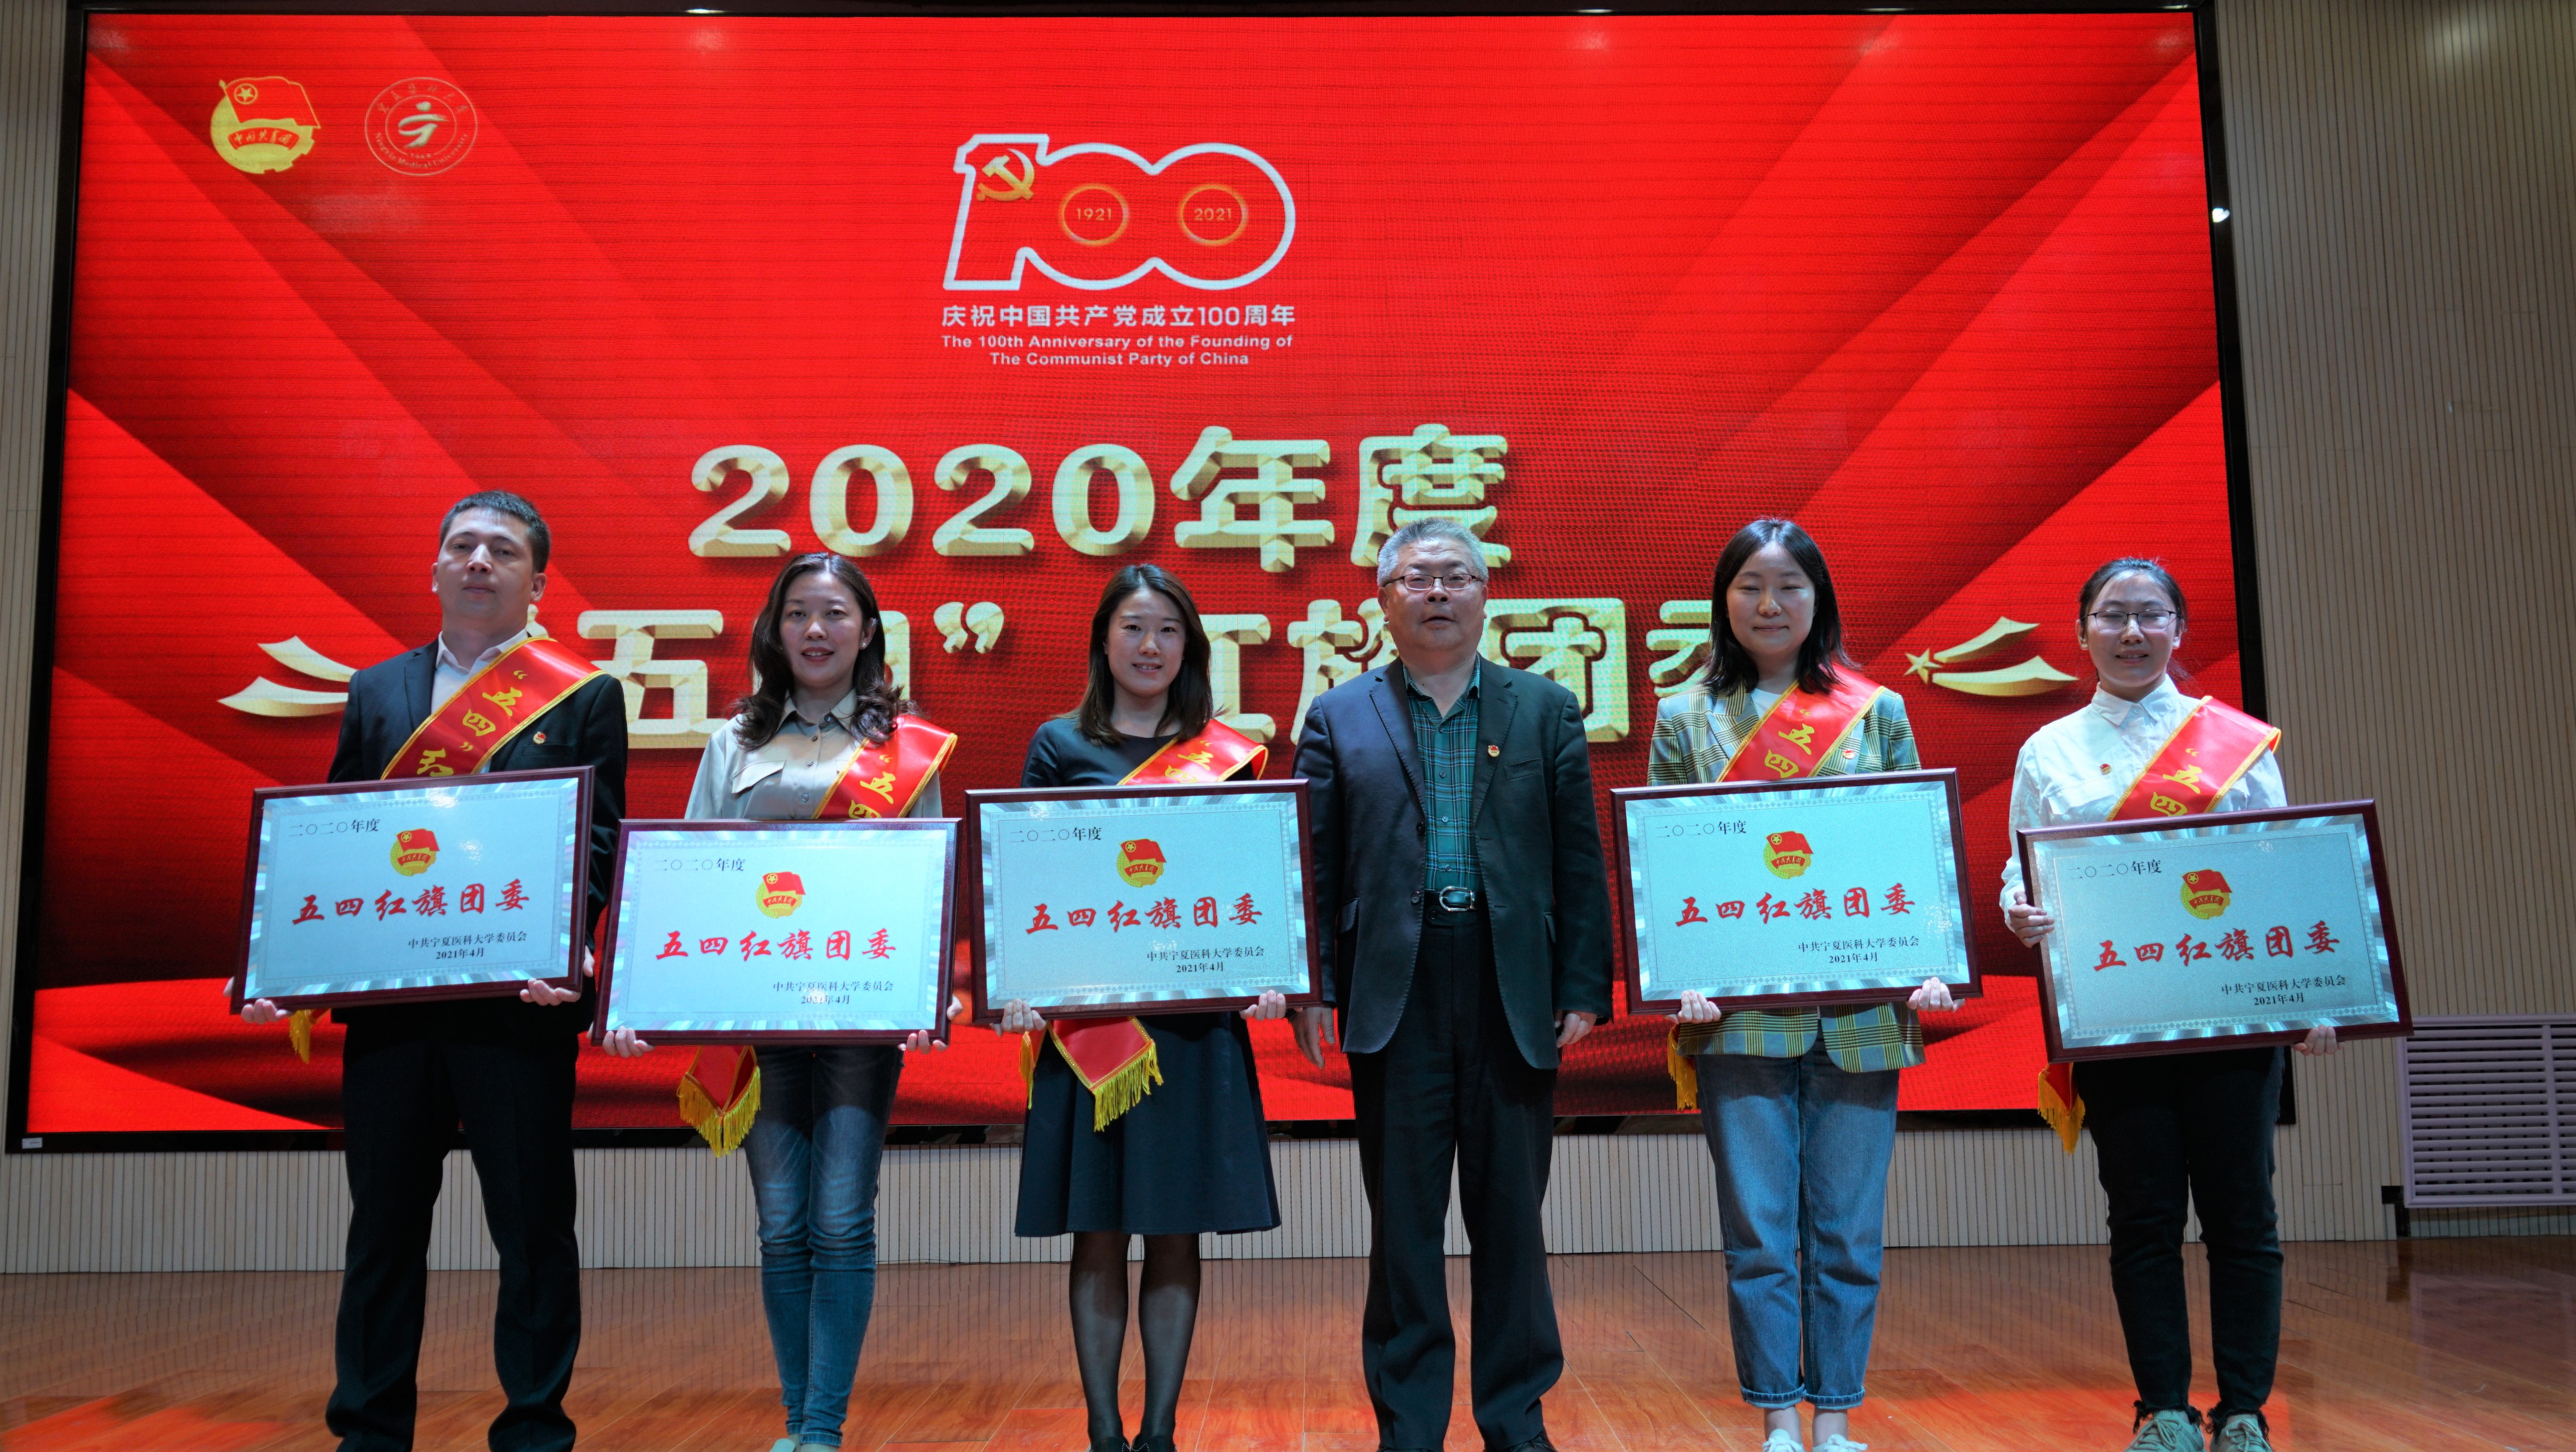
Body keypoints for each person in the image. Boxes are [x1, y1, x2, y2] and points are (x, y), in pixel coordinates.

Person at [232, 490, 627, 1452]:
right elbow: (337, 835)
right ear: (437, 568)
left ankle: (534, 1429)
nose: (480, 561)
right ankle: (369, 1430)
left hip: (517, 1007)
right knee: (383, 1230)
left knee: (532, 1230)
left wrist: (568, 943)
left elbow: (598, 840)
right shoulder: (378, 690)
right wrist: (292, 957)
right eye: (463, 546)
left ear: (538, 581)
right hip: (394, 1013)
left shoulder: (582, 693)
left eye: (503, 549)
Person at [601, 553, 955, 1452]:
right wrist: (644, 994)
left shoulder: (906, 744)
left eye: (834, 613)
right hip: (756, 1018)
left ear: (866, 631)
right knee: (780, 1223)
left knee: (840, 1218)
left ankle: (821, 1427)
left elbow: (927, 885)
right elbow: (688, 877)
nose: (815, 630)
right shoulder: (734, 741)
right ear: (774, 630)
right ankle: (797, 1422)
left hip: (858, 1016)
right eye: (797, 613)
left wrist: (925, 994)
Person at [2000, 557, 2341, 1452]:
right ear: (2081, 632)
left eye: (2150, 614)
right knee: (2143, 1218)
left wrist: (2313, 993)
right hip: (2119, 1017)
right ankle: (2161, 1410)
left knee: (2242, 1214)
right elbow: (2018, 871)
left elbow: (2281, 869)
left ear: (2178, 629)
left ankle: (2243, 1411)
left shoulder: (2233, 741)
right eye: (2111, 614)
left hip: (2231, 1014)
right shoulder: (2048, 749)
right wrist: (2020, 910)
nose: (2131, 631)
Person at [1290, 517, 1614, 1452]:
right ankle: (1409, 1428)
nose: (1438, 592)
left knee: (1511, 1219)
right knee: (1403, 1227)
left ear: (1485, 594)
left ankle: (1516, 1421)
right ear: (1383, 600)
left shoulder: (1544, 708)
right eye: (1418, 577)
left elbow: (1577, 857)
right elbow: (1313, 862)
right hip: (1394, 988)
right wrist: (1313, 984)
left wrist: (1582, 984)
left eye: (1457, 576)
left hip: (1512, 983)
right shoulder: (1338, 714)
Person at [1647, 518, 1957, 1452]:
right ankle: (1778, 1414)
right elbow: (1664, 864)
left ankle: (1836, 1417)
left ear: (1818, 599)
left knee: (1849, 1232)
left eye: (1788, 585)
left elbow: (1913, 847)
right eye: (1749, 585)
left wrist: (1932, 956)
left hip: (1861, 1013)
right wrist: (1679, 977)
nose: (1769, 603)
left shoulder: (1876, 710)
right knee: (1758, 1229)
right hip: (1738, 1016)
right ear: (1723, 601)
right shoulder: (1684, 717)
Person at [1000, 562, 1287, 1452]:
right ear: (1102, 641)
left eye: (1167, 629)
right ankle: (1103, 1431)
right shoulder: (1058, 744)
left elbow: (1249, 883)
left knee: (1173, 1228)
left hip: (1193, 1028)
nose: (1150, 645)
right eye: (1133, 627)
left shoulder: (1224, 754)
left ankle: (1159, 1431)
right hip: (1091, 1031)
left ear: (1189, 647)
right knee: (1097, 1229)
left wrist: (1267, 971)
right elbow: (1027, 880)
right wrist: (1019, 984)